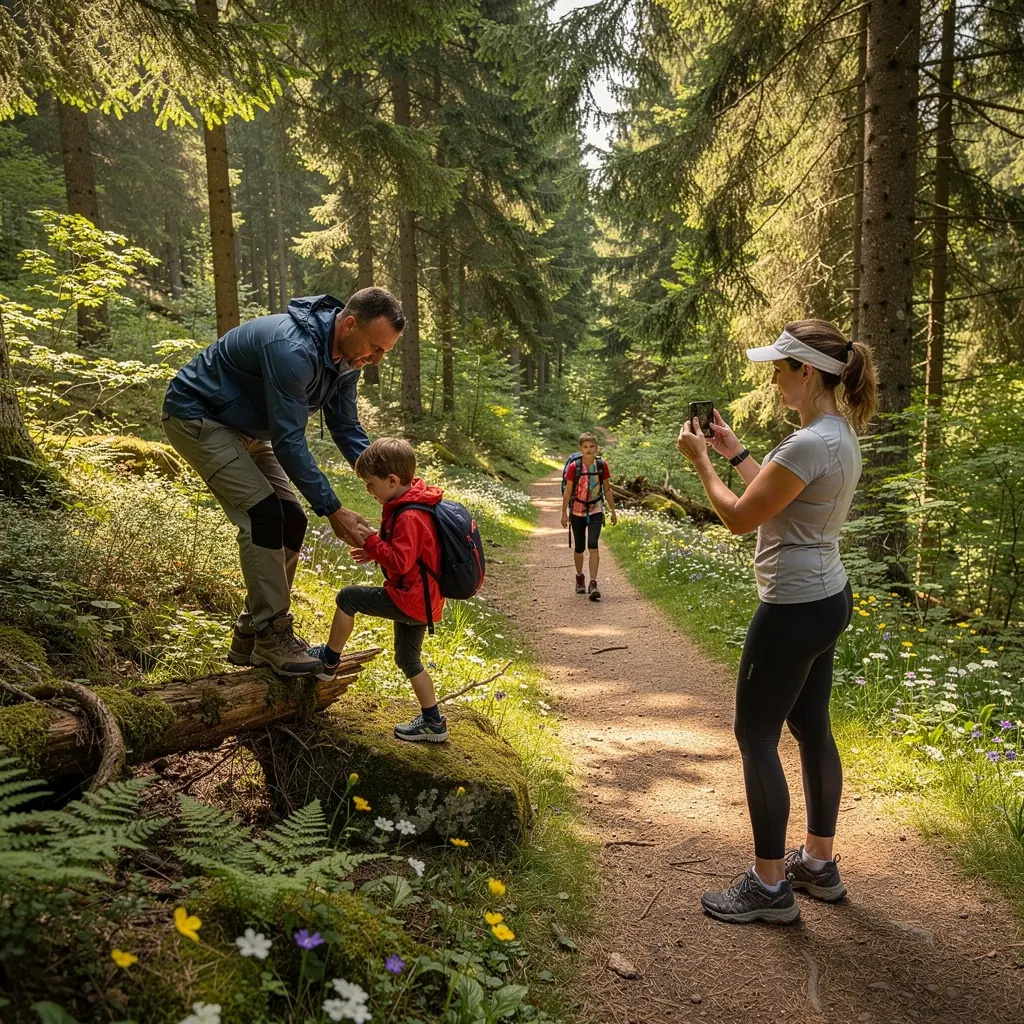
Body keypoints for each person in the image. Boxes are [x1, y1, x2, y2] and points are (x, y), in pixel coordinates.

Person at [675, 319, 877, 925]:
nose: (773, 378)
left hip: (792, 607)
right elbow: (776, 494)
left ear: (807, 373)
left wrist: (701, 464)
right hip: (827, 596)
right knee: (812, 728)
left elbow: (740, 517)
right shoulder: (835, 435)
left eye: (780, 368)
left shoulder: (808, 443)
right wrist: (734, 452)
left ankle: (768, 886)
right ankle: (818, 863)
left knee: (755, 735)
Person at [162, 288, 404, 678]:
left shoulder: (346, 359)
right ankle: (271, 632)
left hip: (249, 429)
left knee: (291, 519)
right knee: (263, 513)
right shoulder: (292, 349)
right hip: (198, 417)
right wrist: (333, 509)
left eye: (384, 353)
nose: (375, 359)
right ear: (349, 324)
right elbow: (290, 442)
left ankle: (251, 635)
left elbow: (345, 428)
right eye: (375, 348)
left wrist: (399, 484)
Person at [308, 438, 448, 742]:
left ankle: (329, 661)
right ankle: (434, 722)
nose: (368, 490)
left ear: (393, 480)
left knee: (348, 598)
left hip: (410, 599)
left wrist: (372, 543)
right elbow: (410, 557)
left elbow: (399, 561)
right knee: (408, 661)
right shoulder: (412, 504)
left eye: (371, 484)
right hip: (423, 600)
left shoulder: (410, 515)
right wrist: (374, 550)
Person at [560, 432, 617, 600]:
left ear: (596, 448)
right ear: (580, 449)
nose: (589, 449)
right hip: (577, 510)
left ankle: (593, 582)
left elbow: (607, 489)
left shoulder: (602, 466)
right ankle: (580, 578)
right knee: (579, 547)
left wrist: (613, 510)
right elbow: (568, 491)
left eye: (592, 446)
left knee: (593, 544)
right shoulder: (574, 467)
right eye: (585, 447)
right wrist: (563, 512)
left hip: (596, 509)